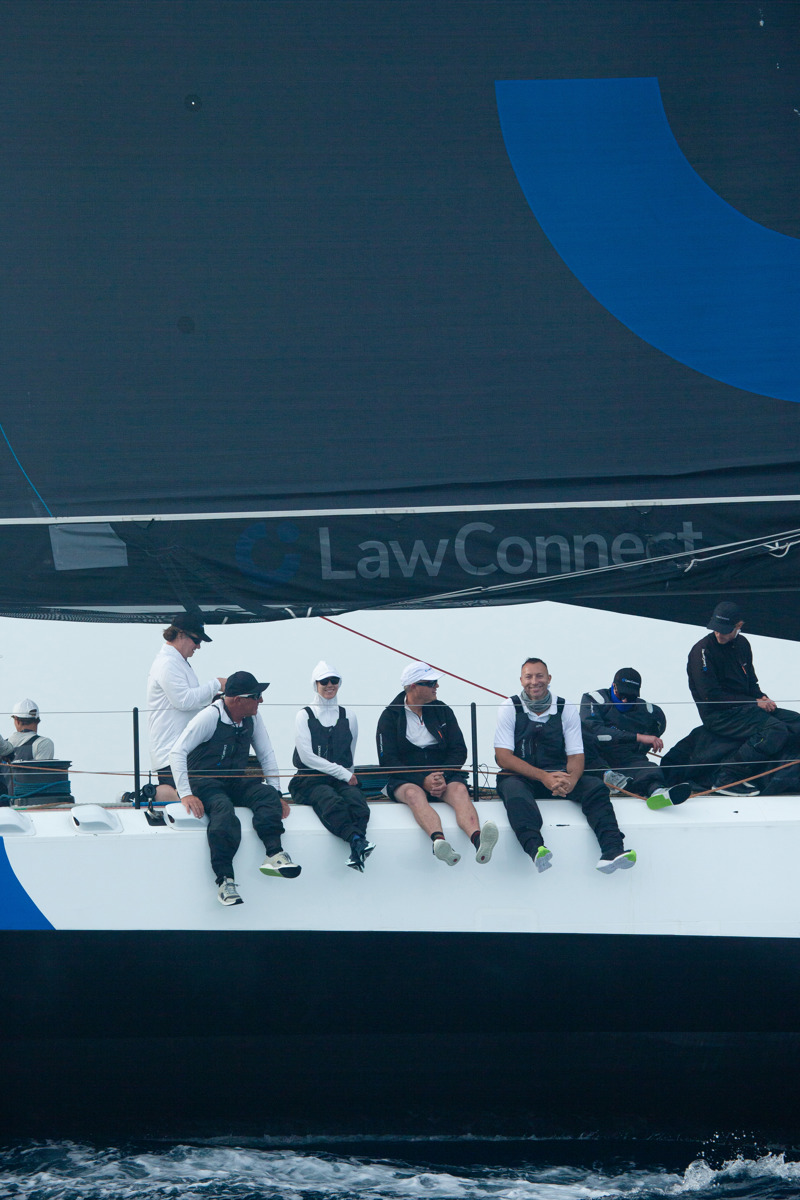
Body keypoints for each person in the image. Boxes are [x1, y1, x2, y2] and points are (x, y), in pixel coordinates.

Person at [170, 670, 300, 907]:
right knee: (223, 810)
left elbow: (266, 754)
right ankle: (224, 880)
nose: (261, 700)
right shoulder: (209, 717)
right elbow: (177, 752)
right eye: (256, 696)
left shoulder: (253, 718)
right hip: (204, 783)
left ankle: (274, 854)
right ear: (237, 700)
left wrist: (276, 793)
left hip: (234, 781)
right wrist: (186, 794)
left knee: (266, 795)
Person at [494, 657, 636, 874]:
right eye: (529, 677)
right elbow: (503, 757)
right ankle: (535, 849)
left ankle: (612, 850)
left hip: (559, 777)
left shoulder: (565, 708)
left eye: (540, 676)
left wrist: (572, 780)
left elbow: (576, 754)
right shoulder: (509, 707)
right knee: (514, 791)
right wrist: (543, 777)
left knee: (595, 788)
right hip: (520, 776)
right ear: (521, 680)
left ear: (549, 678)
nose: (534, 681)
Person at [376, 661, 498, 867]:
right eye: (431, 683)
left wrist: (442, 776)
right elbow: (388, 760)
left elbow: (459, 750)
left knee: (459, 790)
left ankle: (479, 841)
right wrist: (422, 780)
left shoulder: (443, 710)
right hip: (407, 779)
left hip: (443, 776)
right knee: (413, 794)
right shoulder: (390, 717)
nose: (437, 686)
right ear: (413, 686)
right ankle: (439, 842)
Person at [687, 600, 800, 796]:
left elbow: (751, 682)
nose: (719, 634)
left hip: (746, 708)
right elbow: (710, 696)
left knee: (796, 721)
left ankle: (783, 773)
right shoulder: (702, 650)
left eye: (725, 630)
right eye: (716, 629)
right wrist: (754, 702)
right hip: (719, 715)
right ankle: (727, 777)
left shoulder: (743, 644)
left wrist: (762, 697)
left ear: (739, 626)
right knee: (774, 729)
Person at [289, 661, 374, 871]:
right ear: (315, 684)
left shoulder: (349, 716)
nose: (329, 685)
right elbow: (307, 757)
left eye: (334, 680)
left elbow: (350, 753)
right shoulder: (304, 715)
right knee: (330, 801)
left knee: (358, 803)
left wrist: (348, 776)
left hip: (340, 779)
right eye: (324, 681)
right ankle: (355, 840)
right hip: (310, 780)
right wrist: (343, 773)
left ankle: (358, 845)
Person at [580, 669, 692, 810]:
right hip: (597, 755)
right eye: (621, 695)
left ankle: (657, 791)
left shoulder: (650, 712)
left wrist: (644, 746)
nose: (625, 700)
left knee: (649, 768)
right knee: (583, 741)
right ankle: (608, 776)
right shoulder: (594, 700)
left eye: (630, 697)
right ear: (614, 686)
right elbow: (594, 731)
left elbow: (657, 727)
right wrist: (637, 737)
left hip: (625, 757)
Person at [147, 613, 227, 804]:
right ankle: (150, 793)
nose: (198, 646)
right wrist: (216, 684)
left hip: (186, 749)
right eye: (196, 640)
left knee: (199, 793)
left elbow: (190, 701)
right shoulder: (167, 663)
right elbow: (183, 700)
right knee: (188, 796)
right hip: (171, 750)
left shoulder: (178, 662)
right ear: (180, 634)